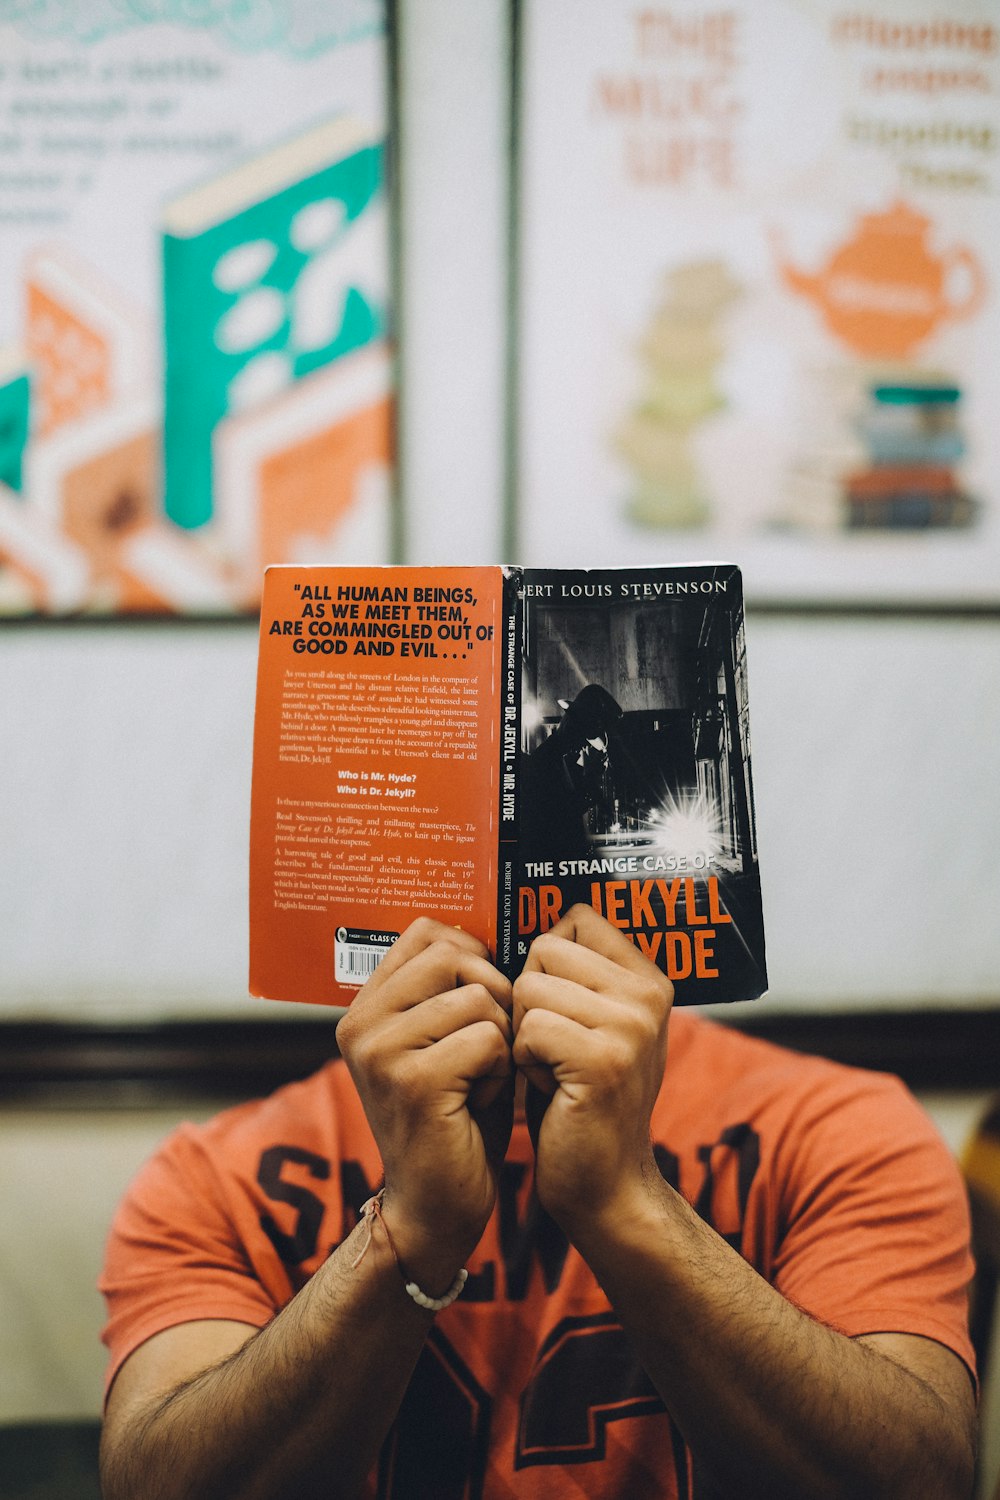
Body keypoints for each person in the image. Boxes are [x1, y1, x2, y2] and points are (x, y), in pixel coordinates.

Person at [99, 907, 977, 1500]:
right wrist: (409, 1230)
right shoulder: (213, 1172)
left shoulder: (836, 1125)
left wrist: (625, 1203)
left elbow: (926, 1478)